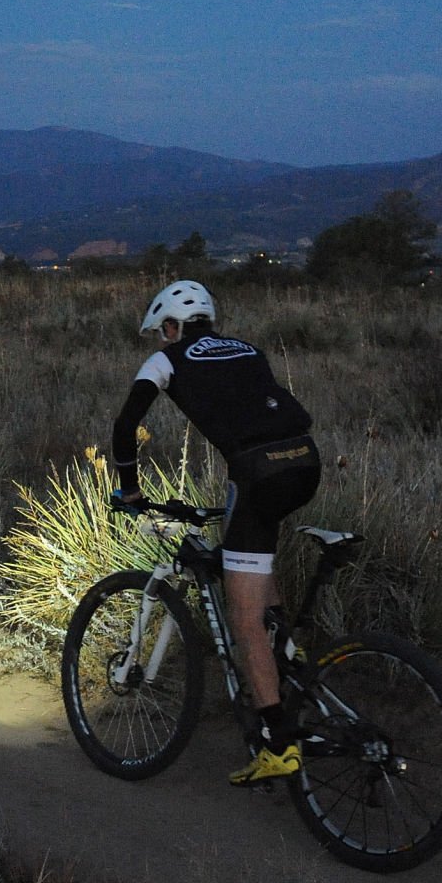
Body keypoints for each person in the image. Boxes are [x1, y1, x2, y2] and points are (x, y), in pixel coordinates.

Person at [110, 280, 321, 785]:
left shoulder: (168, 358)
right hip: (303, 462)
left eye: (162, 333)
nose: (162, 341)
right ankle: (288, 650)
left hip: (257, 473)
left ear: (170, 326)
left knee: (241, 617)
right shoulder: (249, 349)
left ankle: (276, 741)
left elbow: (125, 425)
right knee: (250, 543)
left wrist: (130, 490)